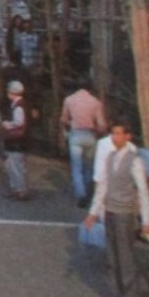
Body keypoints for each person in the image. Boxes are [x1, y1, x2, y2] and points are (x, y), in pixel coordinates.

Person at [84, 122, 149, 297]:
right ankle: (116, 296)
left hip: (125, 214)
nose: (115, 138)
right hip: (109, 211)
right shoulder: (110, 158)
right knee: (112, 256)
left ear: (128, 137)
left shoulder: (134, 161)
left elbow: (142, 191)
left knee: (125, 258)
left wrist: (146, 220)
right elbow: (103, 187)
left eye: (119, 134)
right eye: (113, 134)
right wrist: (93, 212)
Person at [60, 79, 107, 208]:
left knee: (76, 167)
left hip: (75, 135)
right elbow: (102, 125)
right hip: (90, 135)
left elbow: (63, 118)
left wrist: (72, 124)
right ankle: (88, 193)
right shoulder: (95, 102)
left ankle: (80, 194)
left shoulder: (69, 100)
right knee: (89, 166)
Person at [0, 80, 30, 200]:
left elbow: (19, 122)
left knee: (15, 165)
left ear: (12, 92)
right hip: (20, 141)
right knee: (15, 165)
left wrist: (7, 124)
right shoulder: (22, 104)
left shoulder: (18, 107)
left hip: (16, 141)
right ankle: (17, 188)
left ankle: (20, 190)